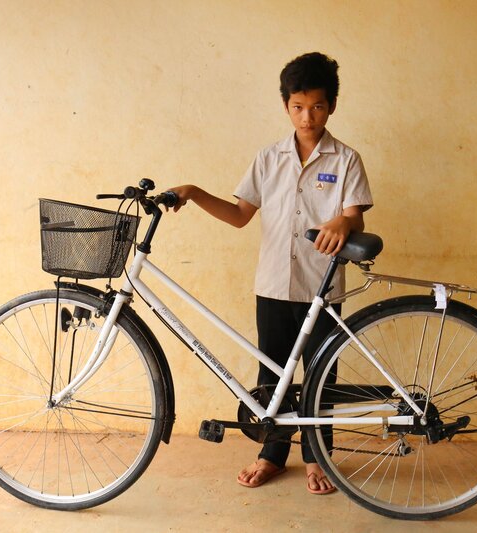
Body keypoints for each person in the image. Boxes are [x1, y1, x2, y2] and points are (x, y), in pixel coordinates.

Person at [169, 52, 373, 495]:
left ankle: (318, 458)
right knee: (273, 378)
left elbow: (354, 216)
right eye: (298, 107)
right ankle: (272, 454)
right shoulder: (268, 158)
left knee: (321, 379)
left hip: (323, 289)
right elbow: (240, 215)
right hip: (273, 286)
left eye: (317, 106)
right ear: (285, 106)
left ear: (332, 106)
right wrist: (195, 193)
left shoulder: (346, 160)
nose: (307, 117)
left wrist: (344, 221)